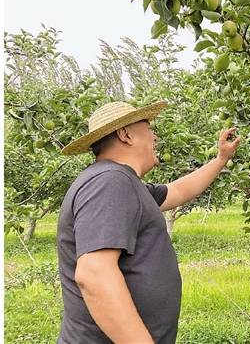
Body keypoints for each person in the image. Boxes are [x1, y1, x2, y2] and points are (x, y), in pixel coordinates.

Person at [57, 100, 240, 344]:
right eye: (149, 127)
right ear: (126, 134)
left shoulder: (124, 183)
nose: (155, 136)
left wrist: (220, 159)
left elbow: (178, 191)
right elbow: (94, 274)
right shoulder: (110, 183)